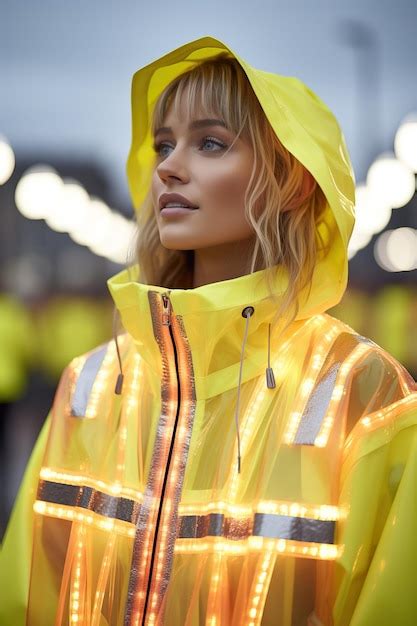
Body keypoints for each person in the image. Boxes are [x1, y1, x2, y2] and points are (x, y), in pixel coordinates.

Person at [1, 35, 417, 626]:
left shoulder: (364, 393)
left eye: (212, 143)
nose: (169, 165)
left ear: (292, 181)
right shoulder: (89, 384)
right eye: (164, 144)